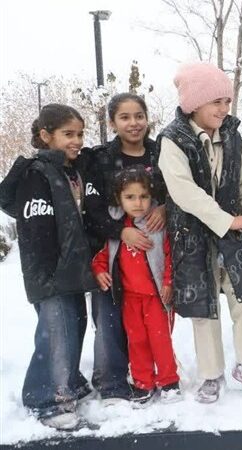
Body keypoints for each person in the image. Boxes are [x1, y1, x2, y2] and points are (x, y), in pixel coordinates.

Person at [158, 62, 242, 403]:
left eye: (227, 100)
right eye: (216, 101)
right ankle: (211, 374)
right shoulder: (173, 140)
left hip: (235, 234)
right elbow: (184, 192)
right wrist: (228, 220)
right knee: (202, 307)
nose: (224, 108)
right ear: (194, 103)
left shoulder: (233, 136)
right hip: (192, 237)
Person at [14, 104, 96, 429]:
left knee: (74, 325)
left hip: (70, 271)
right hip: (50, 274)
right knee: (56, 334)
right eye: (68, 134)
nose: (76, 141)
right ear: (46, 136)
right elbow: (38, 229)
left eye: (79, 134)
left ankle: (69, 382)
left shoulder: (68, 170)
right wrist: (52, 270)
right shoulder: (37, 173)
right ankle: (46, 399)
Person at [83, 93, 167, 403]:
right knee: (109, 320)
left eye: (139, 115)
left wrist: (166, 209)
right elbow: (91, 209)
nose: (134, 123)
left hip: (153, 253)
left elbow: (183, 189)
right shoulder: (101, 158)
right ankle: (112, 383)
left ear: (147, 117)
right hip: (114, 251)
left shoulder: (162, 152)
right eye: (125, 117)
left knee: (151, 325)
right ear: (112, 122)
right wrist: (122, 232)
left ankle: (155, 376)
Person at [91, 167, 180, 405]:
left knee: (160, 340)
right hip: (130, 298)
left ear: (152, 197)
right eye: (130, 197)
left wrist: (169, 282)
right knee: (137, 340)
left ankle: (169, 380)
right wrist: (99, 271)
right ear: (119, 198)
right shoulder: (117, 227)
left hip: (156, 298)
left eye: (143, 196)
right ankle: (143, 382)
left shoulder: (156, 223)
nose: (138, 203)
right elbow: (103, 254)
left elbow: (170, 256)